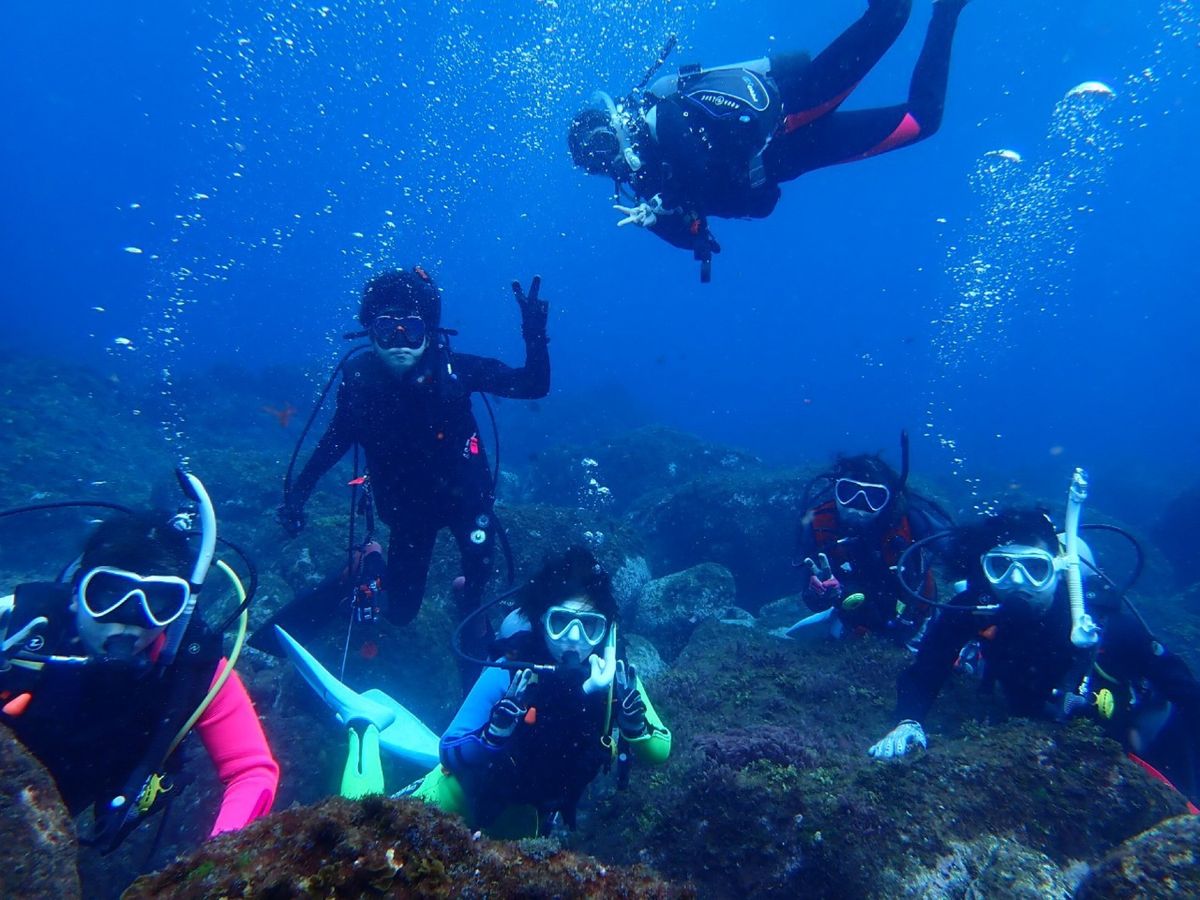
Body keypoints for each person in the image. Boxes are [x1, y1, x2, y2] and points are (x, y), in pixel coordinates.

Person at [277, 266, 550, 688]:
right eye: (387, 329)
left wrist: (534, 332)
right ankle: (369, 559)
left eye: (412, 328)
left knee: (477, 594)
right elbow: (332, 445)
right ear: (369, 331)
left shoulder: (457, 369)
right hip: (408, 514)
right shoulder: (360, 385)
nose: (400, 341)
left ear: (430, 330)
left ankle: (466, 594)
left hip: (468, 504)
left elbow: (533, 385)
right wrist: (297, 496)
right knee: (401, 613)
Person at [568, 0, 972, 280]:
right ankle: (948, 10)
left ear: (613, 122)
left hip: (791, 102)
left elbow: (699, 165)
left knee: (891, 15)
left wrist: (667, 200)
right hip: (797, 153)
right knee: (922, 120)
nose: (609, 160)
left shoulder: (660, 114)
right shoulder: (650, 190)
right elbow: (700, 237)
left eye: (602, 143)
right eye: (597, 162)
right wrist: (660, 220)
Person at [0, 478, 278, 849]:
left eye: (159, 600)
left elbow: (251, 769)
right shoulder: (18, 630)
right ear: (77, 592)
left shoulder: (191, 667)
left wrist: (217, 862)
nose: (130, 618)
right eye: (109, 594)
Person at [868, 505, 1200, 806]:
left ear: (1057, 569)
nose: (1016, 583)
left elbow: (1182, 688)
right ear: (985, 569)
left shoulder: (1103, 623)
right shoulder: (974, 608)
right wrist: (907, 720)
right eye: (1000, 566)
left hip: (1133, 736)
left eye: (1034, 569)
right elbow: (926, 668)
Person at [406, 547, 671, 838]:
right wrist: (491, 736)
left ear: (606, 633)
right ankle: (364, 728)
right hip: (449, 803)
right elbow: (448, 751)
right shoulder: (510, 671)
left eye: (590, 626)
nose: (573, 638)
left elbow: (659, 751)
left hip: (521, 827)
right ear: (540, 622)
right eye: (560, 622)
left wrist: (636, 727)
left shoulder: (616, 681)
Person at [789, 439, 952, 646]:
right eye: (848, 493)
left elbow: (955, 549)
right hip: (853, 620)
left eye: (873, 497)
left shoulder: (910, 519)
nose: (859, 505)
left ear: (889, 499)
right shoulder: (819, 523)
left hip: (917, 620)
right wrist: (820, 594)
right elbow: (811, 596)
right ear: (836, 490)